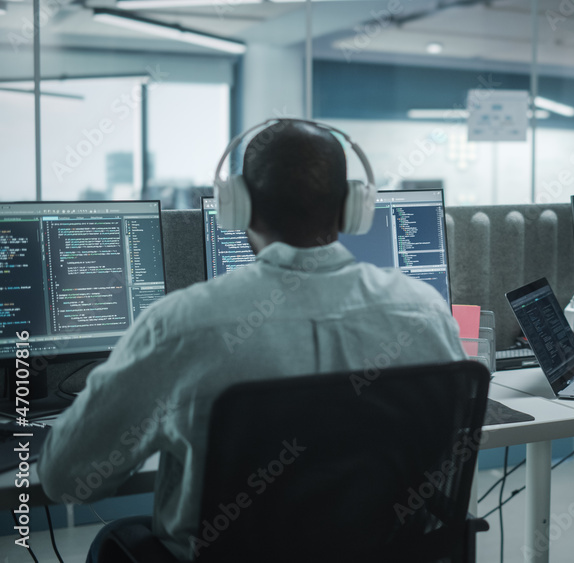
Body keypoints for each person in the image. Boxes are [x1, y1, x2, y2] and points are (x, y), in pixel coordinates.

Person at [38, 120, 467, 562]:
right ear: (352, 206)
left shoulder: (181, 326)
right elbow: (444, 453)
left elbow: (66, 478)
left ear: (238, 206)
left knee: (121, 537)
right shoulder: (424, 312)